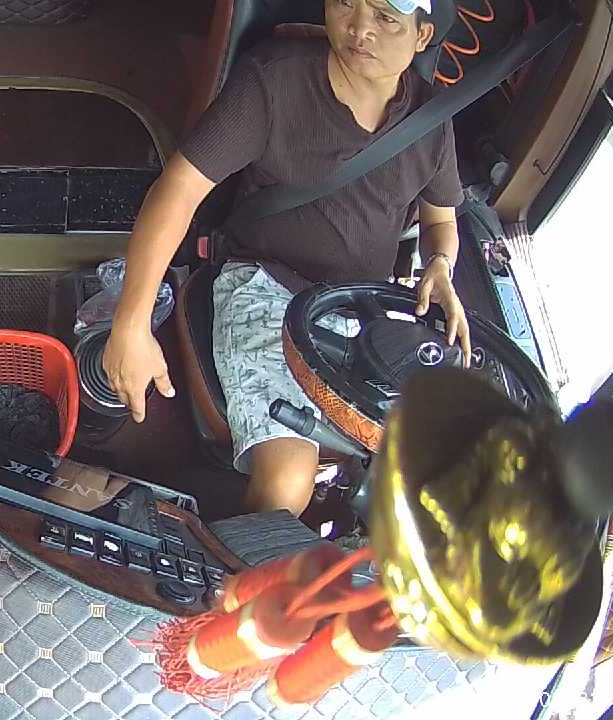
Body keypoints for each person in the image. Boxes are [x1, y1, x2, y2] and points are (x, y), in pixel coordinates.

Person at [103, 0, 471, 517]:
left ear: (422, 36)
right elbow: (178, 190)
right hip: (263, 288)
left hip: (361, 313)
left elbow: (440, 222)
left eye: (386, 18)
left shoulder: (432, 121)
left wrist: (440, 265)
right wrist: (132, 323)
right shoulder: (274, 82)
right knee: (289, 478)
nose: (360, 28)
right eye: (346, 3)